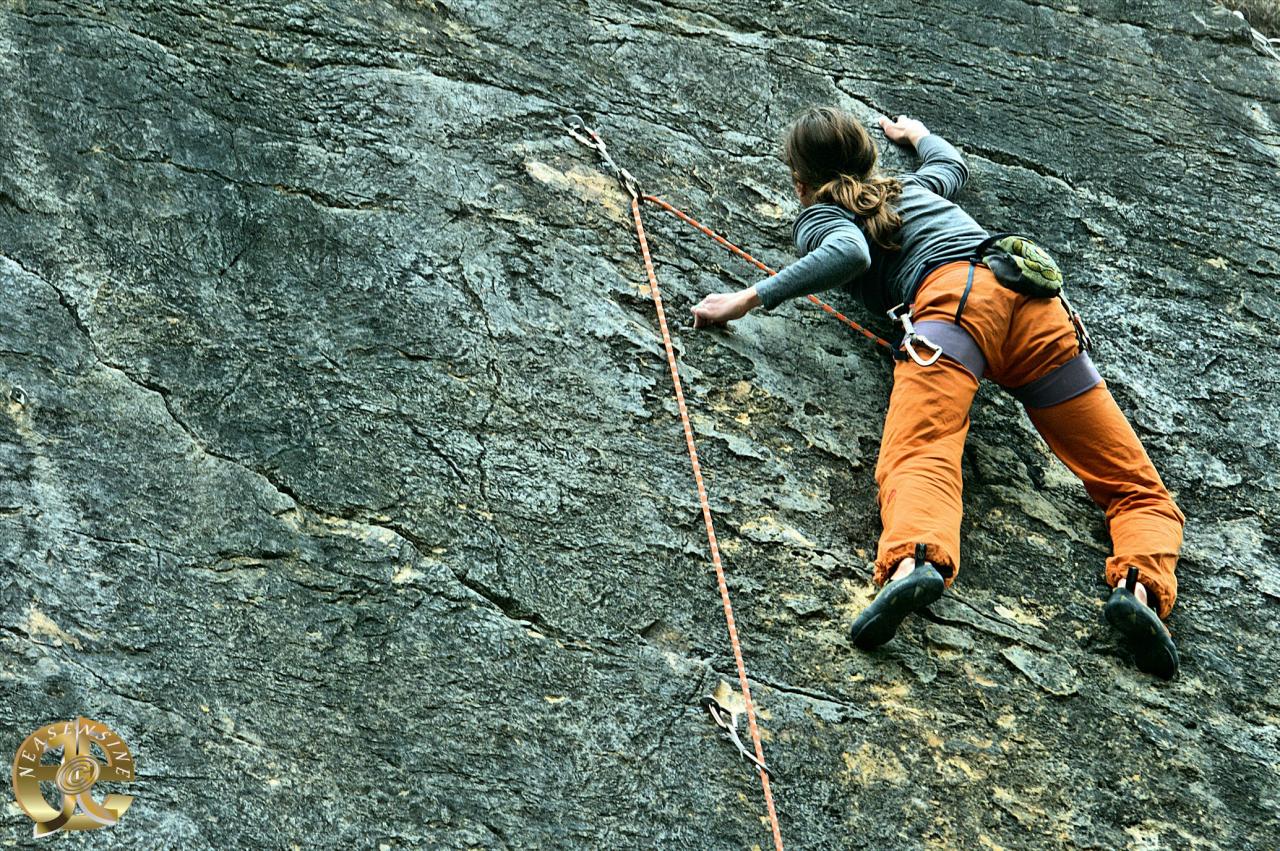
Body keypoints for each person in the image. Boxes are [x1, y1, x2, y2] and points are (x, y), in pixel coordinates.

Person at [690, 106, 1186, 679]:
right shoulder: (911, 186)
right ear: (871, 158)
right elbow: (951, 163)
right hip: (1038, 309)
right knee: (1135, 487)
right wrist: (915, 133)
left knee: (922, 454)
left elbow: (848, 252)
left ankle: (914, 565)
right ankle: (1139, 592)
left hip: (954, 309)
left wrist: (748, 298)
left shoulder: (821, 213)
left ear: (799, 183)